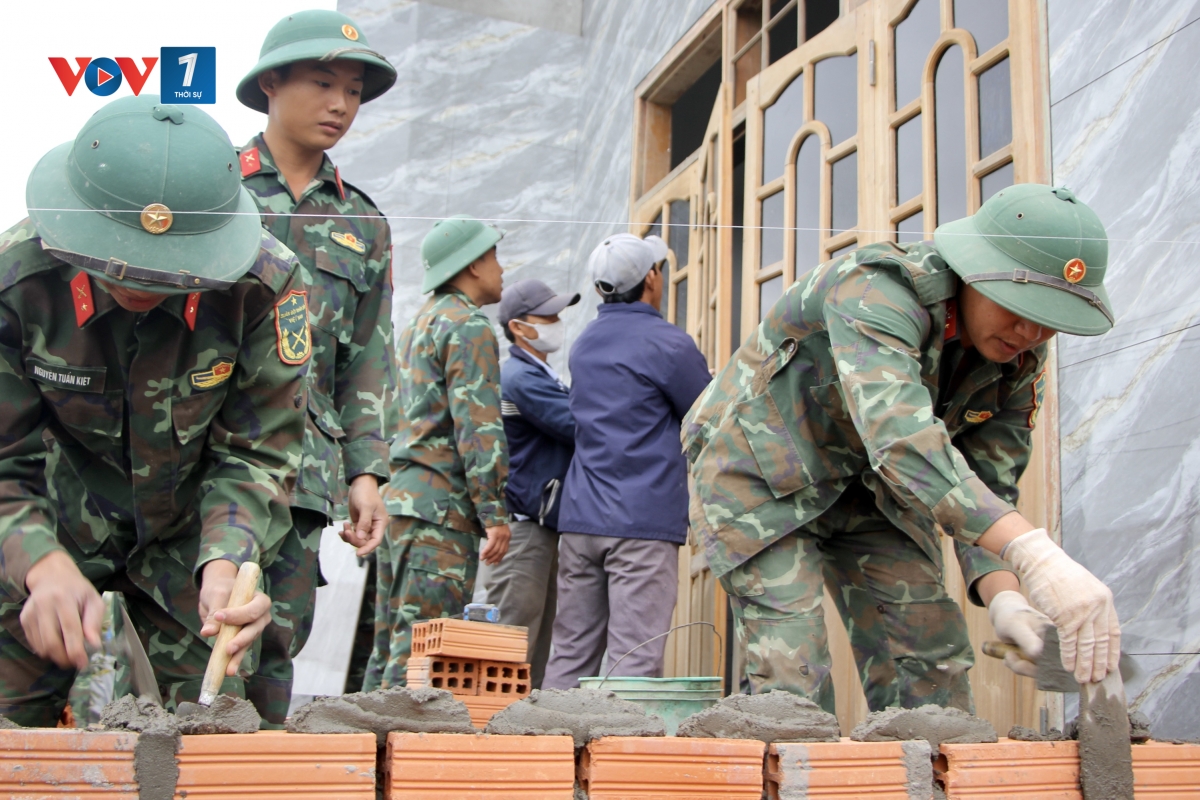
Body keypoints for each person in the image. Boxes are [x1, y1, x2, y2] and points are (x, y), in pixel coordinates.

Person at [683, 184, 1121, 713]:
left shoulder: (1020, 360)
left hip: (875, 490)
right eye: (1018, 305)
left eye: (1050, 317)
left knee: (932, 664)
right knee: (794, 676)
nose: (1030, 330)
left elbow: (989, 483)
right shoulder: (877, 289)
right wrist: (1035, 554)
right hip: (760, 471)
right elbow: (901, 441)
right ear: (974, 271)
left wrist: (1006, 595)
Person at [0, 94, 308, 726]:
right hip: (50, 521)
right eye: (122, 262)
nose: (140, 283)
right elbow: (5, 457)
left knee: (214, 724)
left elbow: (256, 453)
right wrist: (39, 561)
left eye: (170, 273)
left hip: (191, 536)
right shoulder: (16, 282)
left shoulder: (262, 285)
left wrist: (227, 561)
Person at [235, 9, 399, 723]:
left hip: (305, 466)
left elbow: (367, 359)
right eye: (324, 83)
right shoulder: (216, 193)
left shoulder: (363, 223)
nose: (341, 105)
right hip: (205, 453)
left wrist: (366, 474)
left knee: (279, 638)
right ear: (271, 82)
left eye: (354, 91)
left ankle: (252, 768)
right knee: (190, 632)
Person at [542, 234, 711, 690]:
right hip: (641, 522)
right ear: (651, 278)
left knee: (570, 653)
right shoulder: (669, 343)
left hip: (581, 520)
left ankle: (549, 734)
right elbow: (705, 415)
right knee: (632, 660)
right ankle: (615, 740)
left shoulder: (584, 344)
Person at [365, 215, 513, 690]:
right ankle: (395, 739)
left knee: (391, 648)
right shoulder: (468, 326)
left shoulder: (419, 323)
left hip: (404, 504)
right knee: (423, 656)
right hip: (440, 513)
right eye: (494, 256)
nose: (502, 268)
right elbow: (479, 426)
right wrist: (494, 511)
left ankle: (363, 735)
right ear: (472, 265)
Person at [478, 279, 580, 688]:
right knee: (510, 646)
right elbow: (577, 425)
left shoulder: (539, 374)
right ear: (518, 327)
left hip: (539, 528)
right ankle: (491, 725)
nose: (557, 323)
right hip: (524, 531)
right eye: (547, 316)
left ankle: (516, 724)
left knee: (532, 648)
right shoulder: (520, 377)